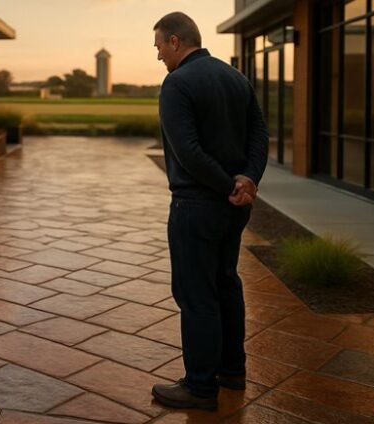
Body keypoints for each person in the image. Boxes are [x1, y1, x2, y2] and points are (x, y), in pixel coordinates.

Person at [150, 11, 269, 410]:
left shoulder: (177, 84)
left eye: (159, 48)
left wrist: (226, 185)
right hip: (235, 208)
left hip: (197, 206)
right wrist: (247, 180)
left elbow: (188, 153)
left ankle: (200, 387)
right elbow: (259, 135)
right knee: (226, 284)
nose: (159, 57)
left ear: (175, 42)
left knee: (196, 295)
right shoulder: (237, 78)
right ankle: (233, 372)